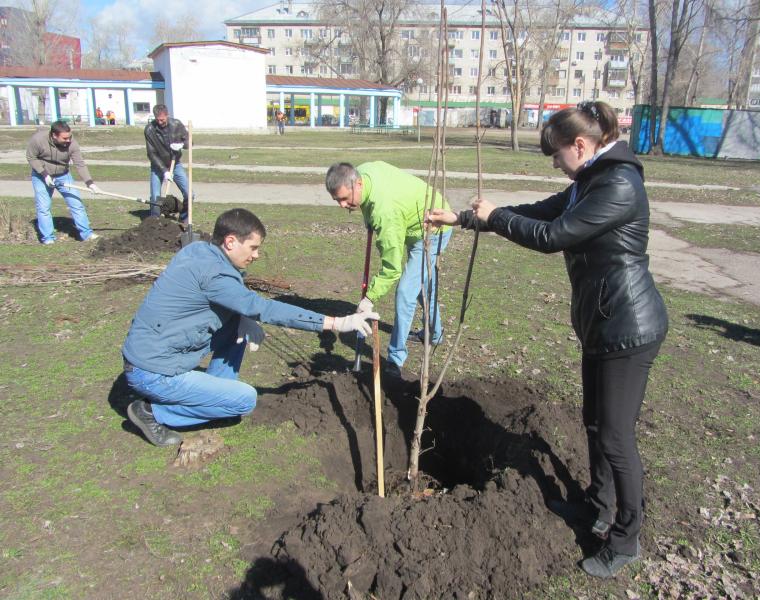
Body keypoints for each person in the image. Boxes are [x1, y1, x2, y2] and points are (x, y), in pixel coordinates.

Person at [428, 101, 668, 579]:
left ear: (581, 145)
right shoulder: (588, 181)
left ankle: (625, 538)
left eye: (557, 155)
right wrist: (466, 219)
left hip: (629, 328)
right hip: (602, 323)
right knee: (595, 426)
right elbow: (537, 212)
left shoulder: (619, 184)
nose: (556, 164)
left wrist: (496, 217)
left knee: (617, 437)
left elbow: (553, 235)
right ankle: (597, 505)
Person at [122, 208, 379, 447]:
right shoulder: (215, 275)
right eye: (253, 247)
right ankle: (151, 411)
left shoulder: (200, 250)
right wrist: (336, 322)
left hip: (151, 351)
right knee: (244, 400)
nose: (256, 255)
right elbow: (265, 308)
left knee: (237, 326)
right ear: (231, 241)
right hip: (153, 371)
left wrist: (243, 317)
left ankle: (214, 391)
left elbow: (230, 294)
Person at [326, 161, 452, 378]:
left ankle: (395, 359)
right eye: (337, 200)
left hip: (434, 226)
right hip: (412, 220)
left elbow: (391, 268)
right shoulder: (362, 172)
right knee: (420, 285)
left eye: (345, 199)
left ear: (358, 184)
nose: (342, 205)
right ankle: (435, 333)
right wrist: (367, 216)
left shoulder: (385, 213)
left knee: (405, 292)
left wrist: (370, 298)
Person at [26, 120, 101, 244]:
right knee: (44, 207)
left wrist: (90, 183)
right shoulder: (38, 139)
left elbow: (80, 164)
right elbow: (31, 157)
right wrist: (44, 174)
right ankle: (48, 238)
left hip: (63, 175)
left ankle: (86, 234)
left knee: (76, 204)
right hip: (41, 176)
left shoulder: (72, 144)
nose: (68, 140)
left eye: (70, 137)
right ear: (54, 135)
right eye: (65, 138)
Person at [144, 104, 189, 218]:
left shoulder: (177, 125)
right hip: (158, 166)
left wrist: (182, 144)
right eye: (158, 120)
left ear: (167, 115)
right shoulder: (149, 130)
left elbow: (189, 142)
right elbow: (151, 153)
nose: (160, 122)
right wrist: (164, 171)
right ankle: (155, 220)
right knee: (155, 197)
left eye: (163, 120)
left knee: (189, 193)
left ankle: (184, 217)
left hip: (176, 164)